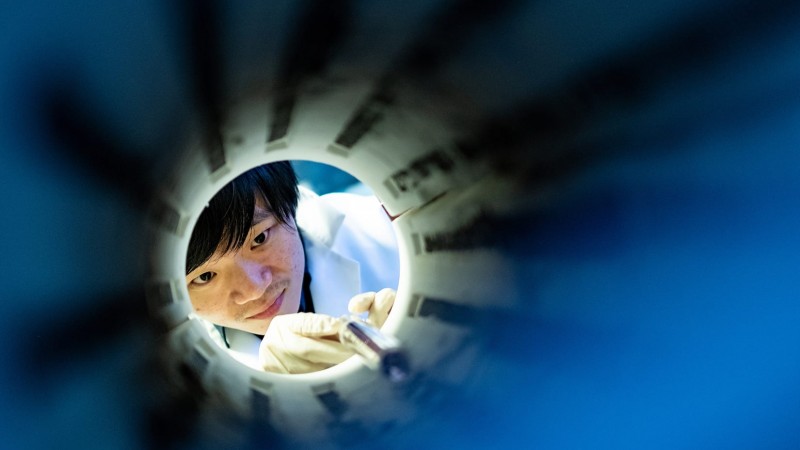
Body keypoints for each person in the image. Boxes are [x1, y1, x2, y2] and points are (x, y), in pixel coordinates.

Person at [184, 162, 400, 373]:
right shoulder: (186, 382)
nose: (255, 289)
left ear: (288, 204)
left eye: (259, 238)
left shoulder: (390, 232)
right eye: (205, 277)